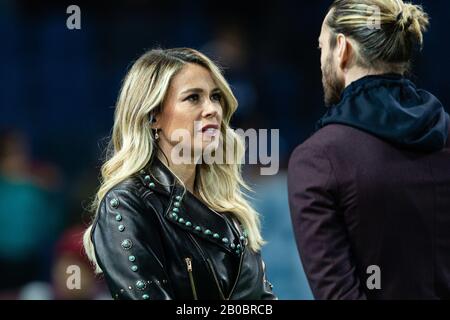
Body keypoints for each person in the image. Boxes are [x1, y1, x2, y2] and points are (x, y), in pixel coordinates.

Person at [83, 48, 276, 300]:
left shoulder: (230, 210)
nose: (212, 109)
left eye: (215, 97)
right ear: (153, 116)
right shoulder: (126, 203)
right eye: (193, 98)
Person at [288, 0, 450, 299]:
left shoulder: (317, 160)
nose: (321, 57)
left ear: (342, 48)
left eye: (322, 46)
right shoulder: (445, 133)